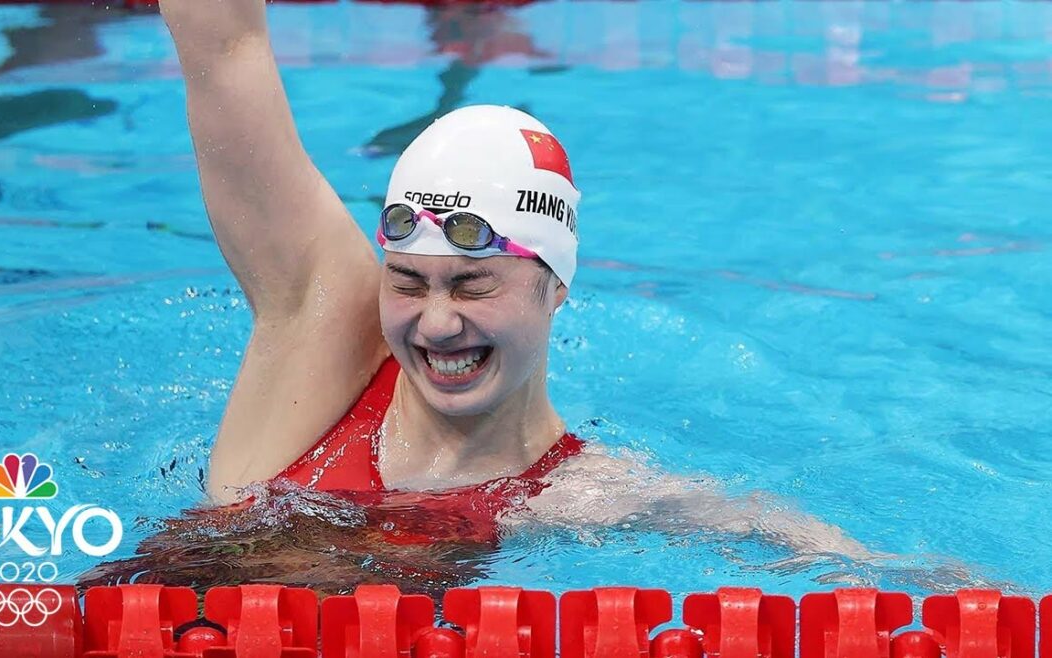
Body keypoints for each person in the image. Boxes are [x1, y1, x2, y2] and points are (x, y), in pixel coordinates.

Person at [155, 0, 916, 568]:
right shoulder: (320, 340)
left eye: (473, 286)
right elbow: (224, 46)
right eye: (408, 282)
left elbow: (808, 548)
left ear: (555, 288)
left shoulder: (581, 495)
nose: (435, 323)